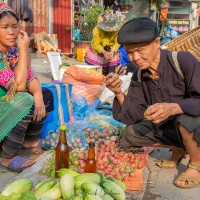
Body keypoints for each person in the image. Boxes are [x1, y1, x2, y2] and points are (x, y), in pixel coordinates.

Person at [106, 17, 200, 188]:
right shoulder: (140, 75)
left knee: (186, 119)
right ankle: (180, 149)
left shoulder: (183, 60)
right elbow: (133, 115)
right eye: (130, 52)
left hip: (194, 125)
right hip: (168, 128)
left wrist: (173, 108)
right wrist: (118, 92)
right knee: (130, 133)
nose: (135, 58)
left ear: (157, 43)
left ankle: (196, 163)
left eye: (140, 50)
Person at [0, 3, 54, 173]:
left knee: (45, 94)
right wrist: (24, 50)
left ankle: (28, 142)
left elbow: (32, 79)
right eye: (5, 27)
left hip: (6, 102)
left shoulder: (12, 51)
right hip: (5, 102)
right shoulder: (15, 51)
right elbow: (19, 86)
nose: (11, 32)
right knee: (25, 100)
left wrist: (38, 94)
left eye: (15, 27)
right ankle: (7, 158)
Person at [85, 11, 126, 76]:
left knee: (111, 74)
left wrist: (112, 51)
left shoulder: (116, 30)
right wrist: (104, 52)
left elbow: (117, 42)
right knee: (95, 75)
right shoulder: (96, 30)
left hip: (111, 50)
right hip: (98, 52)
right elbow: (96, 44)